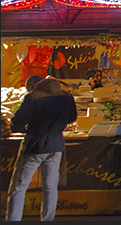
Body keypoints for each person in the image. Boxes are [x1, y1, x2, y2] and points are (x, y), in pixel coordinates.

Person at [5, 77, 78, 221]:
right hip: (56, 145)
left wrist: (22, 129)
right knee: (50, 188)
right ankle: (47, 219)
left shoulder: (33, 97)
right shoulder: (66, 96)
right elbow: (72, 117)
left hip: (34, 144)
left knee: (19, 187)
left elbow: (18, 121)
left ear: (34, 85)